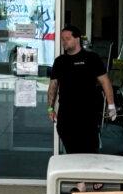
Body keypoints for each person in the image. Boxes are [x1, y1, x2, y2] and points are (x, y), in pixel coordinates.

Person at [47, 25, 116, 154]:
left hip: (88, 115)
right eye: (62, 39)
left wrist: (111, 105)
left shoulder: (92, 58)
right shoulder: (60, 61)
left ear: (77, 39)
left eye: (67, 38)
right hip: (66, 116)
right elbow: (53, 86)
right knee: (72, 152)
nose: (64, 42)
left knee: (90, 153)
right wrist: (50, 108)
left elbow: (105, 82)